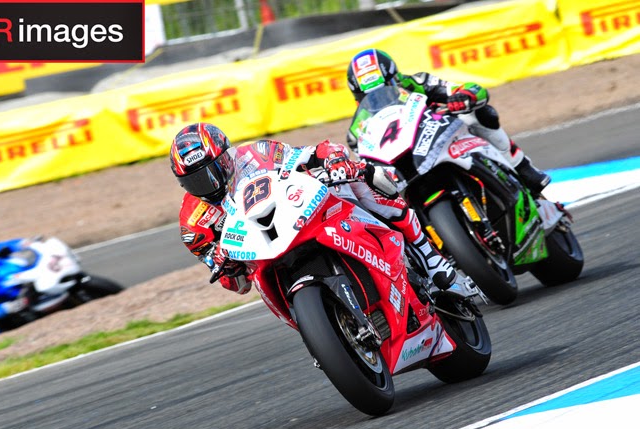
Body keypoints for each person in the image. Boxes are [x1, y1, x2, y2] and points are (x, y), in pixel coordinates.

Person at [169, 122, 479, 298]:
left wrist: (332, 161)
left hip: (298, 217)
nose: (207, 183)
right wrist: (227, 264)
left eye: (211, 170)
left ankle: (430, 258)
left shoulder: (255, 154)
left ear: (225, 157)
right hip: (265, 257)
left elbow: (306, 155)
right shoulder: (192, 223)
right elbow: (237, 286)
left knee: (358, 182)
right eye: (195, 180)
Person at [345, 48, 551, 196]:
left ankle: (522, 168)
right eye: (369, 95)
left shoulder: (417, 83)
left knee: (480, 113)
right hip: (401, 165)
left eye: (386, 87)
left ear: (395, 79)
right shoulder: (356, 132)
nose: (380, 97)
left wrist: (464, 96)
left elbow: (467, 89)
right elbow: (366, 168)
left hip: (441, 136)